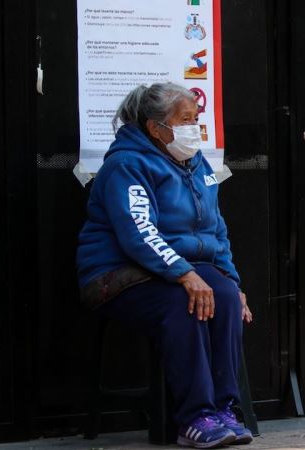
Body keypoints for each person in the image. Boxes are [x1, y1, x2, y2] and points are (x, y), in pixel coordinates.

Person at [76, 82, 254, 447]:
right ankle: (194, 416)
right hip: (117, 274)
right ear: (155, 128)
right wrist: (185, 274)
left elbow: (216, 230)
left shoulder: (197, 163)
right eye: (185, 119)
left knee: (222, 294)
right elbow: (138, 233)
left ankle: (223, 408)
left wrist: (233, 283)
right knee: (183, 303)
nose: (194, 126)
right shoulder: (127, 164)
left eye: (196, 118)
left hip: (174, 267)